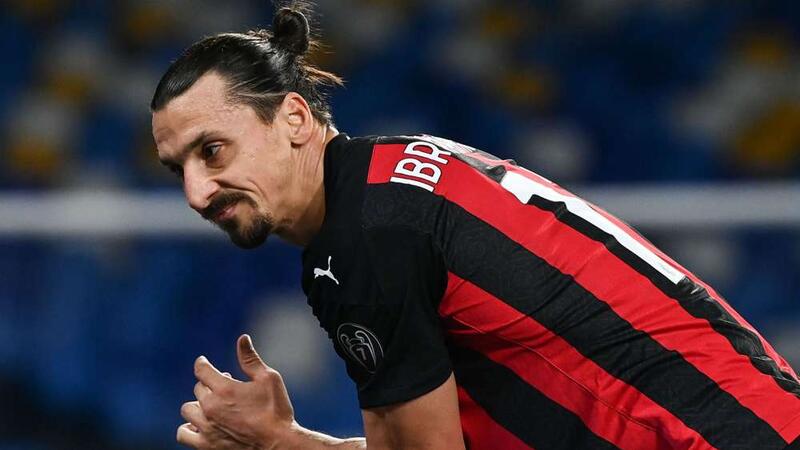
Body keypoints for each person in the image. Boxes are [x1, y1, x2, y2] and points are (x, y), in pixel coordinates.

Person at [150, 4, 800, 450]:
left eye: (213, 151)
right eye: (178, 168)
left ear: (294, 119)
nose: (196, 192)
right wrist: (286, 441)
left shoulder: (367, 238)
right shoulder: (386, 184)